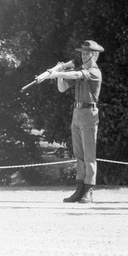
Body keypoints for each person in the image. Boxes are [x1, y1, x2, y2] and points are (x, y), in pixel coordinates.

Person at [52, 40, 103, 203]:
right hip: (77, 112)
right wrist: (60, 71)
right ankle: (79, 188)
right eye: (82, 53)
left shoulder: (94, 71)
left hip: (89, 113)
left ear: (95, 55)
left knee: (89, 155)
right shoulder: (80, 69)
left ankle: (89, 189)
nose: (83, 55)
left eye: (87, 53)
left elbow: (76, 75)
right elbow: (62, 88)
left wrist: (59, 73)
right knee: (79, 154)